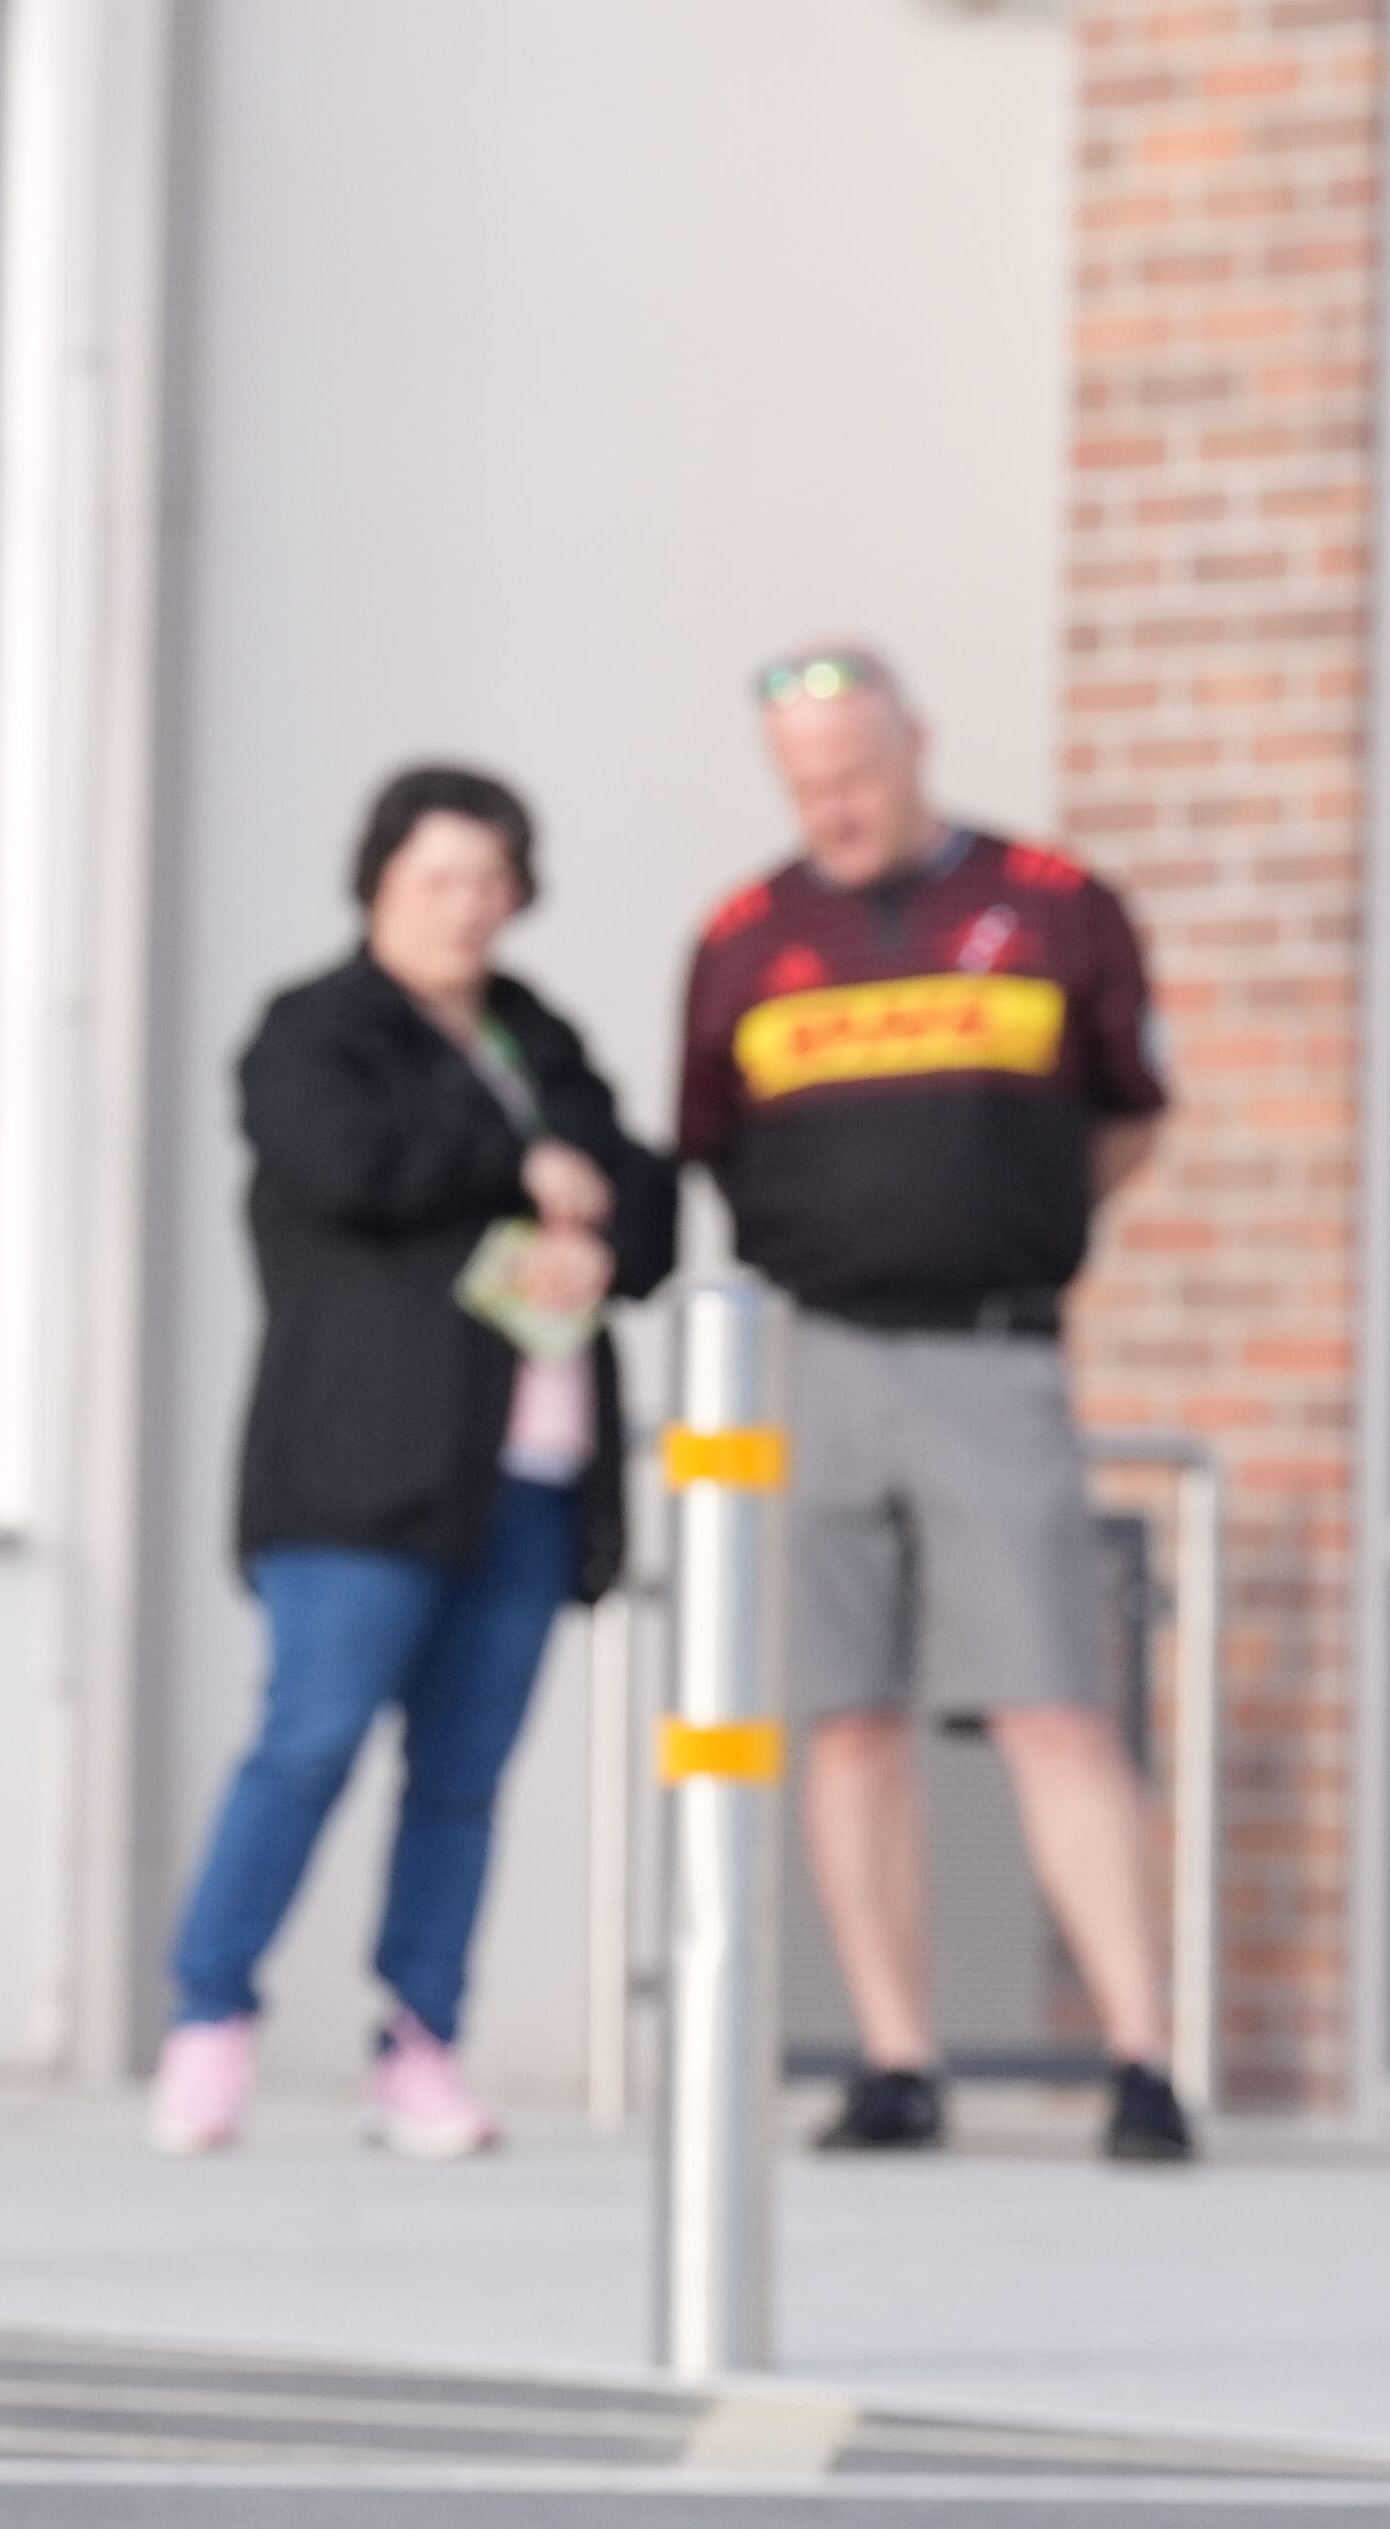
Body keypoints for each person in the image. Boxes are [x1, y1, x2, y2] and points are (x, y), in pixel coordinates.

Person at [678, 643, 1194, 2163]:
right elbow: (715, 1144)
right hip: (817, 1363)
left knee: (1052, 1702)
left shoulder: (1052, 903)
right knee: (845, 1719)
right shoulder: (742, 936)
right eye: (803, 784)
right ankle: (896, 2057)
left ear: (916, 746)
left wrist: (1009, 1226)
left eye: (853, 774)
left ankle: (1142, 2058)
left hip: (994, 1355)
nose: (829, 807)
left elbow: (1130, 1117)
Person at [154, 766, 679, 2157]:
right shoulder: (314, 1031)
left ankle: (422, 2041)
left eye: (488, 882)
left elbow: (646, 1194)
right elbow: (346, 1167)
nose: (462, 909)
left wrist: (596, 1221)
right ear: (379, 881)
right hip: (361, 1472)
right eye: (434, 879)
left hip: (530, 1466)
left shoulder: (538, 1037)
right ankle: (211, 2015)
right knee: (308, 1739)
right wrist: (524, 1175)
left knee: (464, 1770)